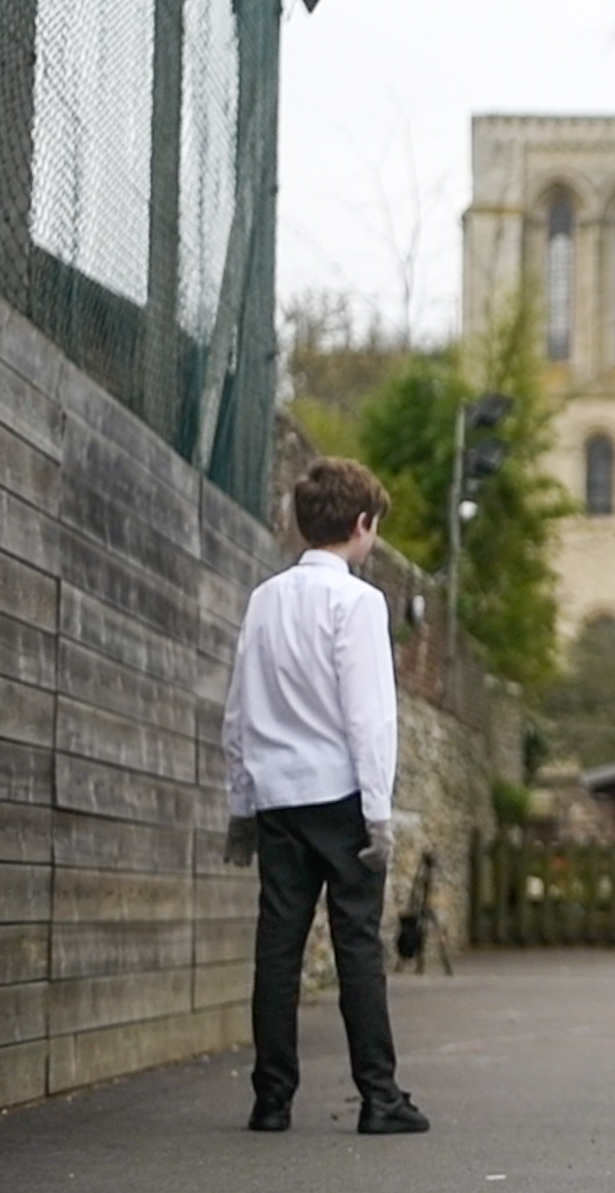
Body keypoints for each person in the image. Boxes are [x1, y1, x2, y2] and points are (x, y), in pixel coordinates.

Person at [220, 458, 427, 1135]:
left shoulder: (264, 598)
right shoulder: (360, 603)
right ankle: (379, 1095)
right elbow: (369, 717)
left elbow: (238, 708)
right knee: (357, 946)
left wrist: (240, 802)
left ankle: (271, 1098)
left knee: (276, 948)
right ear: (363, 525)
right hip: (341, 797)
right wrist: (378, 812)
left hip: (277, 798)